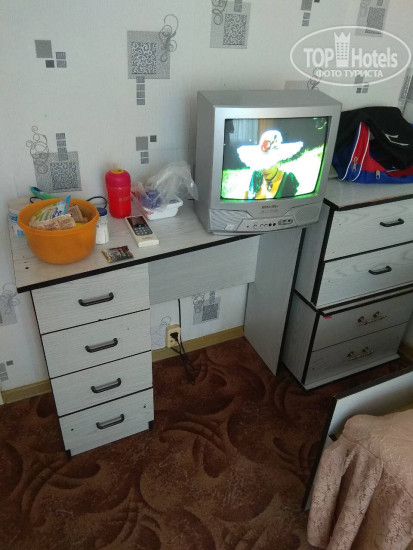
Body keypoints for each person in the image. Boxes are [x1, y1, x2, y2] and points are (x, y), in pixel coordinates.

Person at [237, 130, 303, 199]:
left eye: (270, 164)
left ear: (278, 161)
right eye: (262, 163)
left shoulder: (288, 178)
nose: (265, 169)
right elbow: (247, 198)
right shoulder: (256, 176)